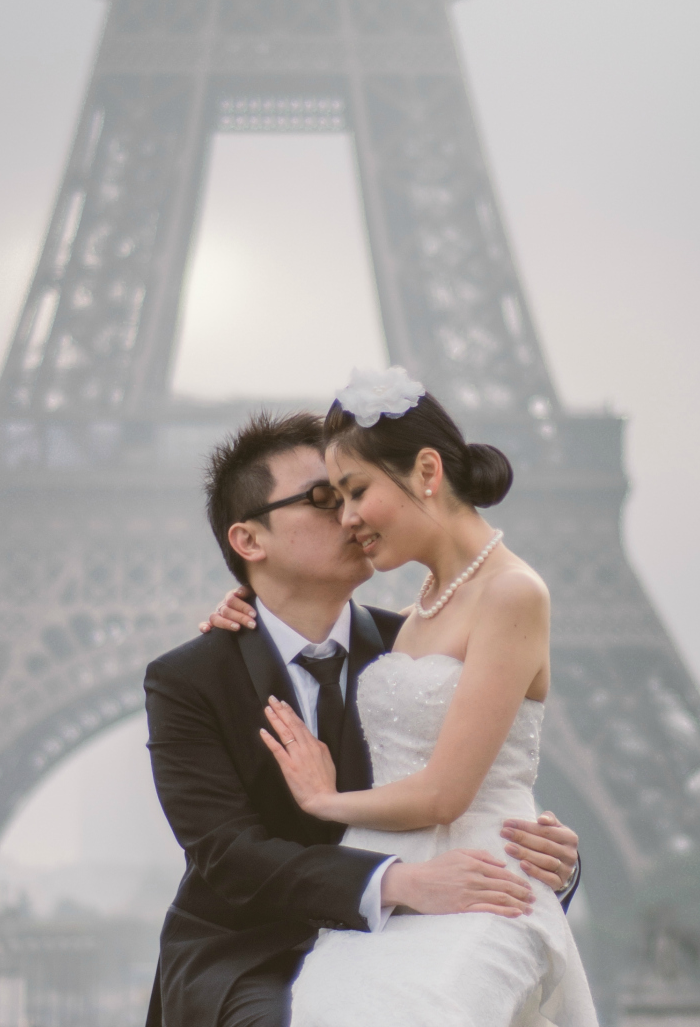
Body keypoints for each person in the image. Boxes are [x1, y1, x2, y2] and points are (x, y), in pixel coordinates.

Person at [143, 403, 583, 1027]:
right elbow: (229, 853)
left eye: (354, 492)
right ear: (248, 540)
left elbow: (484, 781)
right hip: (256, 952)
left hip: (414, 933)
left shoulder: (416, 645)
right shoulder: (190, 679)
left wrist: (551, 858)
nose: (350, 517)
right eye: (324, 498)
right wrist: (396, 882)